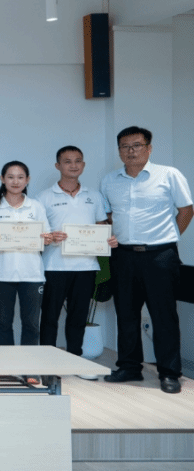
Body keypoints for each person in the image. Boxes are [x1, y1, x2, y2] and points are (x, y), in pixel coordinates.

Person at [100, 126, 192, 394]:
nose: (131, 151)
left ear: (149, 148)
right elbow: (108, 216)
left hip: (160, 256)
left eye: (137, 145)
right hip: (123, 256)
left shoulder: (168, 175)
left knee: (164, 315)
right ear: (119, 151)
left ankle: (169, 373)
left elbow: (186, 210)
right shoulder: (109, 180)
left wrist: (169, 238)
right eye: (125, 146)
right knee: (126, 314)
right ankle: (129, 367)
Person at [37, 146, 117, 359]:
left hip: (86, 267)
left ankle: (74, 361)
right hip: (54, 266)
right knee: (49, 317)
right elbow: (37, 233)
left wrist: (107, 238)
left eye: (77, 161)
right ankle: (46, 363)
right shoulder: (43, 197)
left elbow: (101, 226)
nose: (73, 165)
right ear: (58, 166)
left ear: (83, 165)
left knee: (78, 317)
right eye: (67, 161)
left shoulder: (94, 196)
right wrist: (49, 236)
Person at [0, 161, 53, 346]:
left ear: (27, 180)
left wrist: (47, 238)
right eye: (10, 177)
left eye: (20, 177)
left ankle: (28, 363)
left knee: (31, 324)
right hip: (1, 274)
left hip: (31, 274)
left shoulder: (36, 206)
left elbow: (46, 236)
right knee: (3, 323)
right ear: (2, 179)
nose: (15, 182)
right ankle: (7, 363)